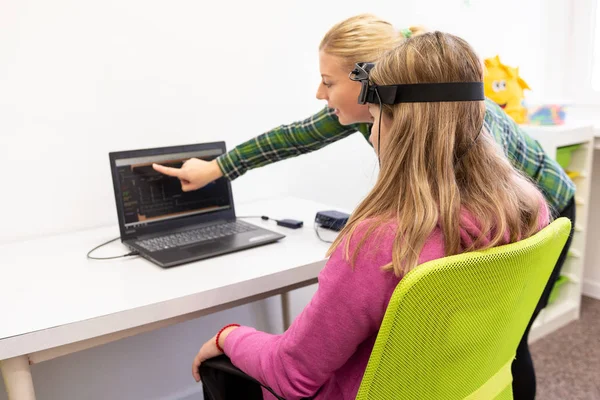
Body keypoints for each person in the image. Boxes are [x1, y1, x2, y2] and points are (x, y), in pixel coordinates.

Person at [156, 15, 576, 399]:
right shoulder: (524, 205)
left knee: (509, 343)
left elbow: (292, 372)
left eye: (374, 118)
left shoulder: (379, 243)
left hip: (550, 198)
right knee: (483, 345)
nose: (321, 95)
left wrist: (229, 334)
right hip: (522, 218)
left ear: (374, 92)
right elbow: (294, 136)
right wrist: (218, 168)